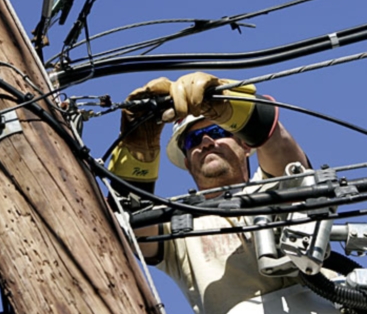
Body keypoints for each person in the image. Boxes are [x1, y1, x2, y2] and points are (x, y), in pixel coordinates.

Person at [108, 72, 341, 313]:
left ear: (245, 144)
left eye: (218, 132)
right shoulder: (178, 225)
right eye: (194, 140)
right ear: (187, 163)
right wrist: (137, 153)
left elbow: (283, 152)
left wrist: (231, 106)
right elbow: (131, 225)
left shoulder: (272, 187)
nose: (207, 142)